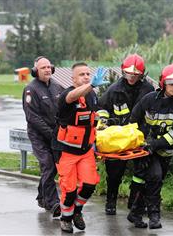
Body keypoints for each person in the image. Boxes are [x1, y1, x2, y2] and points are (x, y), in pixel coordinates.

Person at [129, 63, 173, 229]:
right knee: (154, 177)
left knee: (153, 182)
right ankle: (154, 216)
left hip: (164, 151)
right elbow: (134, 119)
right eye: (171, 83)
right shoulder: (149, 99)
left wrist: (154, 144)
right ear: (163, 83)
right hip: (144, 149)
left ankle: (135, 212)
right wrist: (138, 141)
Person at [97, 54, 154, 224]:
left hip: (139, 138)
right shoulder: (114, 90)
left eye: (136, 74)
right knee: (114, 173)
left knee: (141, 173)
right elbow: (102, 108)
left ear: (142, 75)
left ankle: (134, 204)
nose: (132, 77)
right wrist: (103, 123)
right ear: (123, 71)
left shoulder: (148, 91)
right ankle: (110, 202)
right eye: (129, 73)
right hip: (119, 139)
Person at [52, 62, 108, 233]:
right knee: (69, 190)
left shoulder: (91, 95)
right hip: (65, 151)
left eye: (87, 74)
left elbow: (93, 117)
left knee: (90, 184)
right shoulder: (67, 95)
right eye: (81, 75)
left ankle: (77, 211)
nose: (86, 77)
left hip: (85, 151)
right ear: (73, 79)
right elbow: (73, 96)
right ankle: (66, 219)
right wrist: (90, 85)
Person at [22, 56, 62, 217]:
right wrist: (51, 133)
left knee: (53, 168)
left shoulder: (58, 87)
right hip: (38, 135)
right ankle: (53, 203)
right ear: (35, 71)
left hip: (55, 134)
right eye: (43, 67)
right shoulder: (30, 89)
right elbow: (32, 117)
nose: (47, 70)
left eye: (48, 67)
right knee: (48, 165)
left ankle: (41, 196)